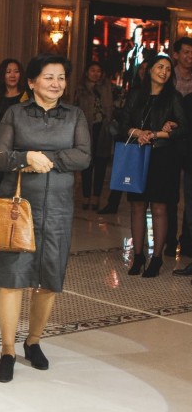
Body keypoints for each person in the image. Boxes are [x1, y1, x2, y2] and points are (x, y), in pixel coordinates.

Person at [0, 54, 91, 383]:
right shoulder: (15, 113)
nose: (56, 83)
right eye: (49, 77)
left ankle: (33, 342)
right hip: (17, 207)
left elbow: (84, 156)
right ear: (32, 82)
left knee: (49, 278)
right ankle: (8, 350)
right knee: (12, 278)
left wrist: (46, 158)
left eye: (61, 77)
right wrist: (25, 158)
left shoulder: (75, 115)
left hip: (58, 207)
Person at [118, 53, 187, 278]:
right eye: (160, 67)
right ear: (149, 70)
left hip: (163, 157)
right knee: (137, 206)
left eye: (168, 69)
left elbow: (184, 128)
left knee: (159, 208)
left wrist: (156, 134)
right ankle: (138, 256)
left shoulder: (173, 97)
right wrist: (138, 132)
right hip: (137, 155)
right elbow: (122, 125)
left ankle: (156, 258)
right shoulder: (136, 95)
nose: (164, 72)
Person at [98, 60, 149, 215]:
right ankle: (113, 203)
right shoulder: (134, 89)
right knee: (122, 170)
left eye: (147, 68)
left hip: (146, 137)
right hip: (129, 134)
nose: (143, 71)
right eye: (141, 68)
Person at [74, 61, 115, 211]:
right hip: (85, 130)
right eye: (92, 70)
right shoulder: (81, 89)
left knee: (101, 163)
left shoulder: (108, 88)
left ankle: (96, 197)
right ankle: (86, 197)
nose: (96, 73)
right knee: (87, 164)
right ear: (87, 72)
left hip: (103, 129)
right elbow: (75, 109)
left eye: (98, 71)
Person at [0, 58, 28, 194]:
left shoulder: (26, 97)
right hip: (1, 150)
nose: (12, 75)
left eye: (16, 71)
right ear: (2, 75)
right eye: (8, 72)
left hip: (20, 149)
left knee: (18, 189)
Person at [168, 37, 192, 258]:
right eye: (185, 52)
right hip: (169, 143)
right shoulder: (168, 77)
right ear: (176, 55)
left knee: (190, 195)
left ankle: (187, 242)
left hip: (190, 144)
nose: (189, 56)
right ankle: (168, 240)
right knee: (170, 193)